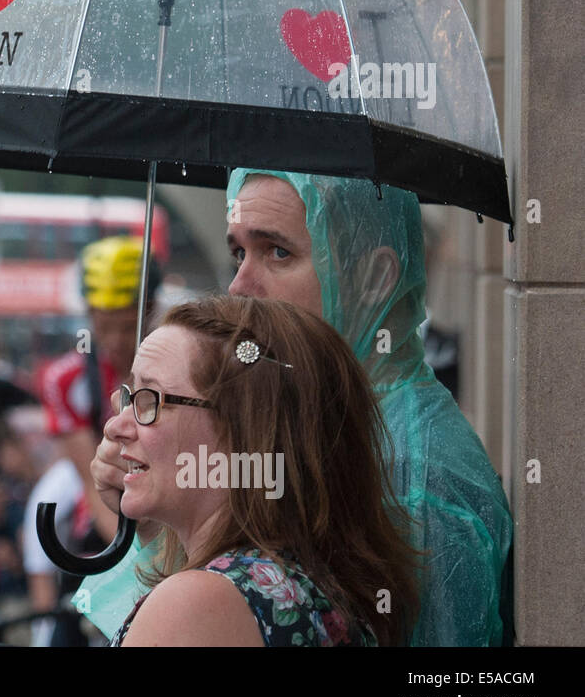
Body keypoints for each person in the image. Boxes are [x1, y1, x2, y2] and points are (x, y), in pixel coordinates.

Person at [83, 170, 513, 647]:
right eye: (239, 253)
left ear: (374, 278)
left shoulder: (420, 471)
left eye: (278, 252)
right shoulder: (345, 429)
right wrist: (159, 515)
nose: (240, 286)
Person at [107, 295, 419, 647]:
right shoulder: (301, 586)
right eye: (129, 395)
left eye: (150, 399)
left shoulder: (199, 604)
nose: (115, 426)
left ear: (243, 429)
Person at [33, 235, 160, 643]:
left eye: (128, 325)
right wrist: (145, 561)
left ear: (150, 311)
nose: (117, 341)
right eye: (103, 326)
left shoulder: (180, 368)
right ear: (88, 314)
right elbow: (90, 483)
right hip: (110, 528)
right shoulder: (65, 380)